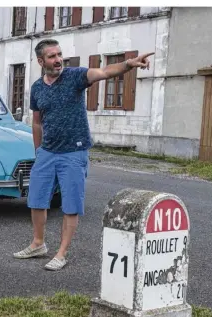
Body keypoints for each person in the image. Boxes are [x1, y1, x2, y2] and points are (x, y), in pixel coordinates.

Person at [13, 39, 154, 270]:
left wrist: (129, 63)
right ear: (41, 61)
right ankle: (38, 243)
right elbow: (37, 122)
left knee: (71, 205)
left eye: (59, 54)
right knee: (36, 200)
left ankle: (61, 253)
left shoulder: (75, 76)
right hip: (47, 152)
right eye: (52, 56)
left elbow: (104, 71)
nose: (58, 59)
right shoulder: (38, 88)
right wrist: (38, 151)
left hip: (73, 152)